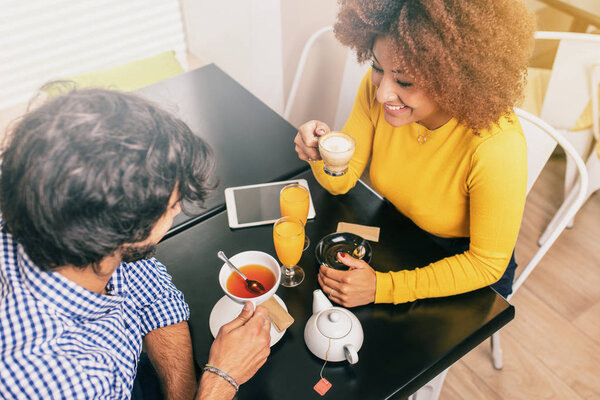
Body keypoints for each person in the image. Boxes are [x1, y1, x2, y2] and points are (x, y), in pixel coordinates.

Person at [0, 88, 271, 399]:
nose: (178, 208)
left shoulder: (89, 237)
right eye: (170, 207)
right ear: (120, 234)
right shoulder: (64, 380)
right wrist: (221, 380)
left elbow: (152, 293)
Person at [294, 0, 536, 307]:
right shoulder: (376, 93)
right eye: (377, 68)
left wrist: (383, 288)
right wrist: (323, 154)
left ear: (454, 79)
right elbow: (342, 181)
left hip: (461, 265)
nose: (382, 93)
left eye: (404, 81)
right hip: (399, 232)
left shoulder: (497, 147)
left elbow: (486, 265)